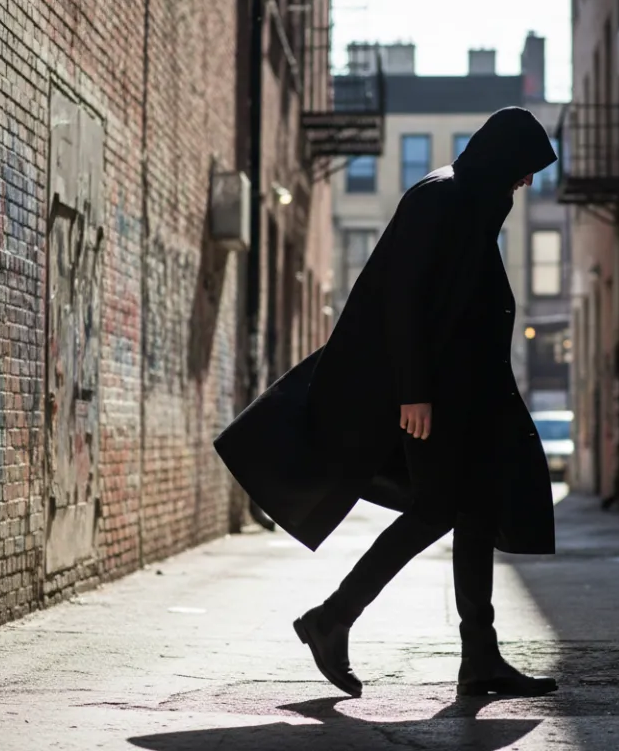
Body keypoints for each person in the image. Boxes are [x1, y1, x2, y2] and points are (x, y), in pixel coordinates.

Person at [214, 106, 560, 699]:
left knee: (476, 510)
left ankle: (480, 658)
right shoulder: (440, 198)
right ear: (503, 157)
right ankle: (331, 618)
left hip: (467, 398)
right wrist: (414, 392)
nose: (527, 181)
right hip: (432, 397)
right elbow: (403, 299)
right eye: (525, 167)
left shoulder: (472, 206)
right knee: (437, 509)